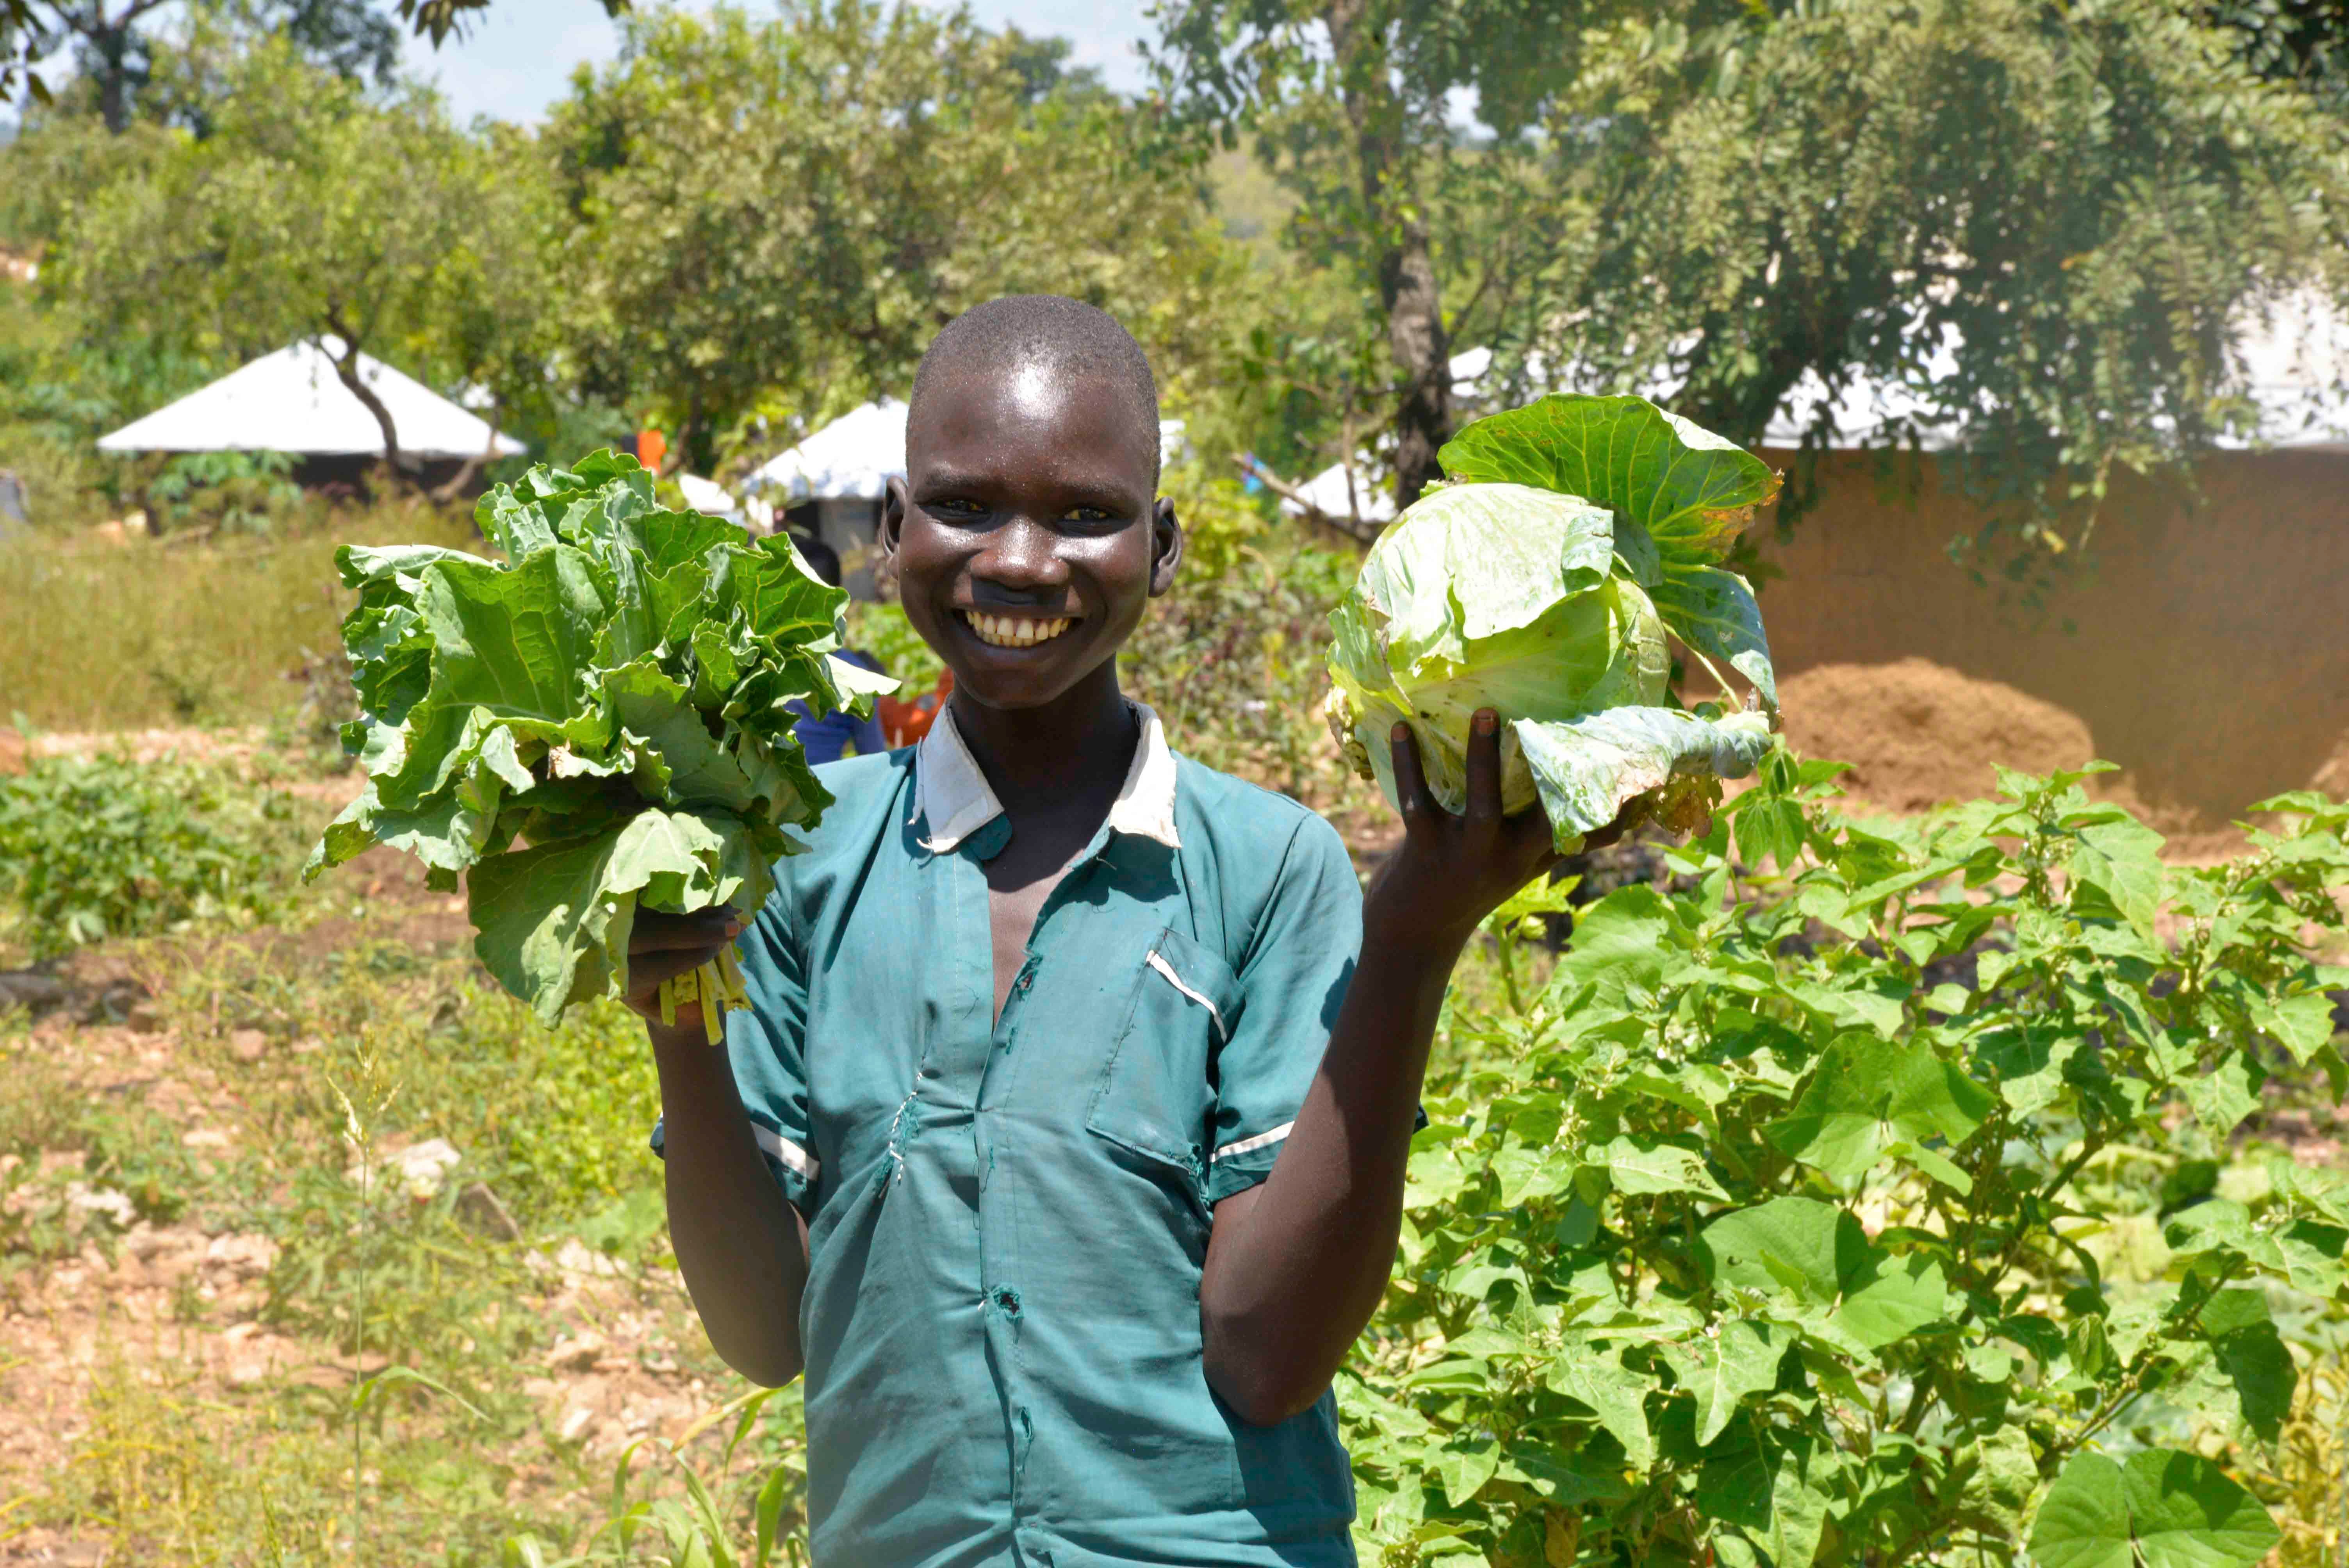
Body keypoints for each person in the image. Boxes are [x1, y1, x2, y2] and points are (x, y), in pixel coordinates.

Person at [627, 296, 1627, 1567]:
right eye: (965, 504)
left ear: (1160, 548)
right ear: (890, 532)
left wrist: (1412, 944)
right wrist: (680, 1027)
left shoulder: (1264, 868)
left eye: (1086, 514)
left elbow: (1266, 1357)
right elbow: (764, 1333)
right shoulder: (789, 851)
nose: (1021, 560)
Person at [782, 535, 890, 764]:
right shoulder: (753, 660)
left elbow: (874, 764)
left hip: (815, 797)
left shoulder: (855, 677)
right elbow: (874, 760)